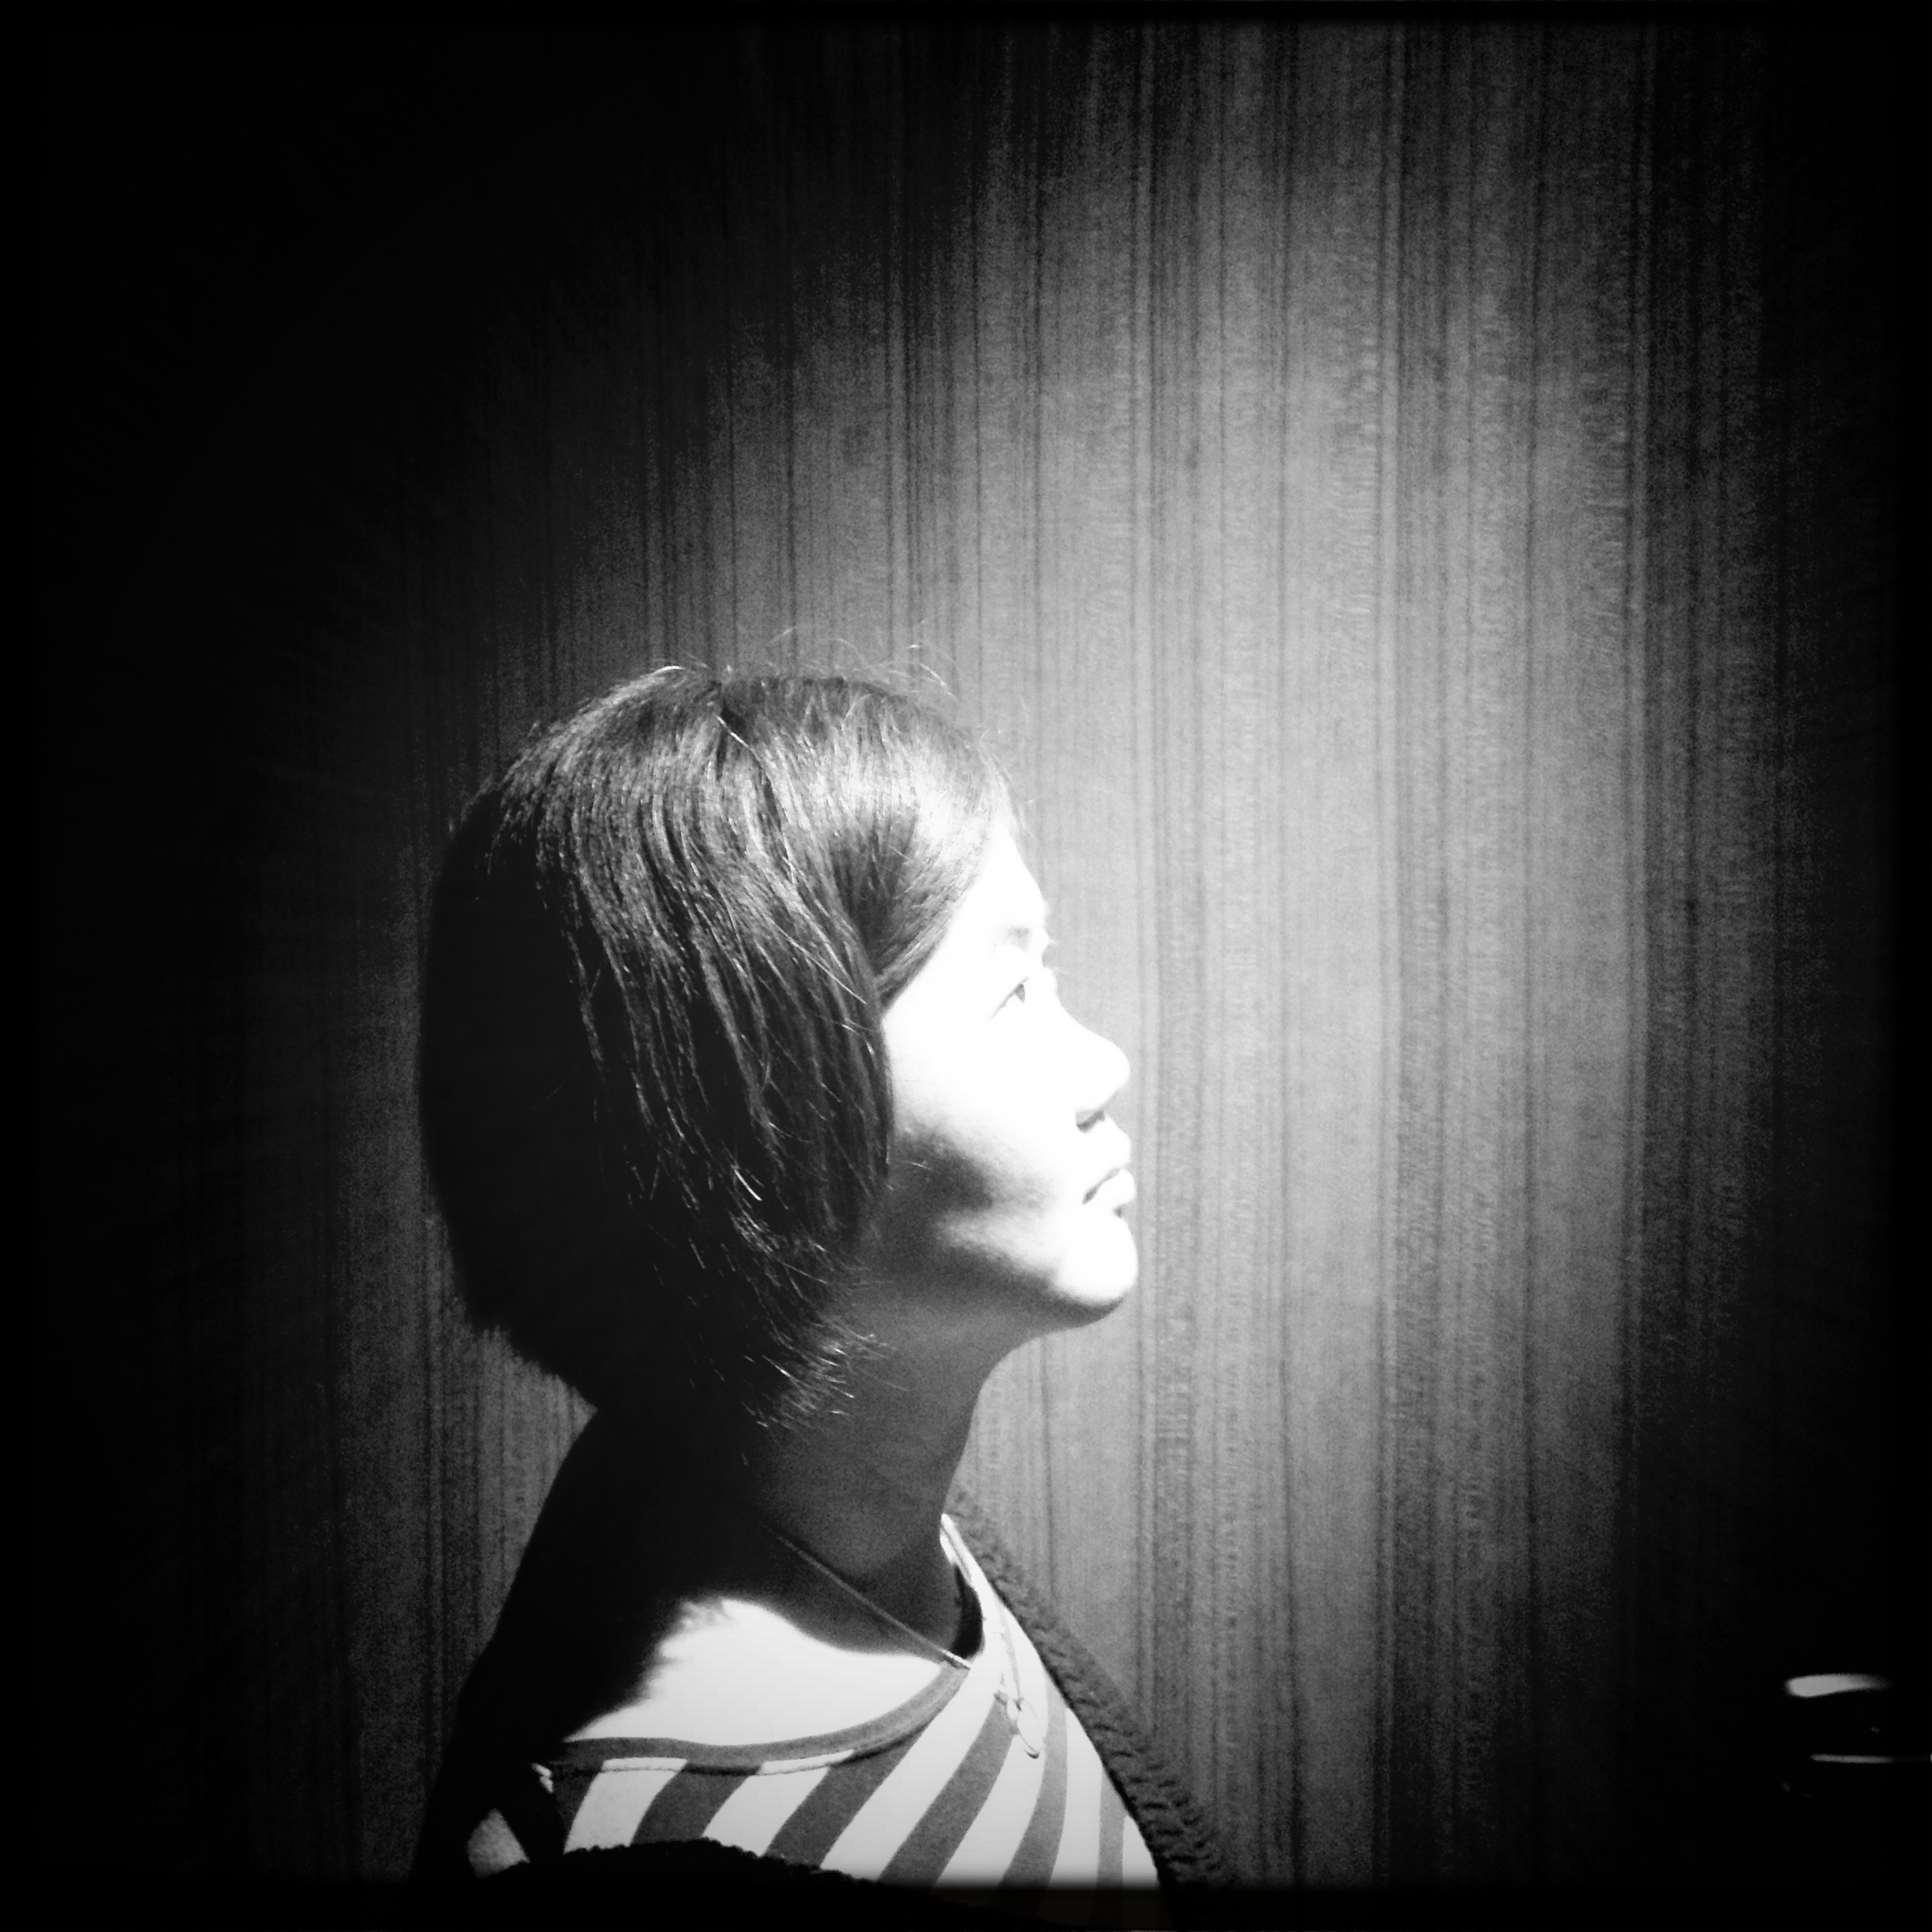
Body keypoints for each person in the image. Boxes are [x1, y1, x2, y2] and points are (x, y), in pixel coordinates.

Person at [413, 667, 1230, 1923]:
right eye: (1013, 993)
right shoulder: (637, 1867)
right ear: (762, 1116)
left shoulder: (846, 1513)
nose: (1104, 1065)